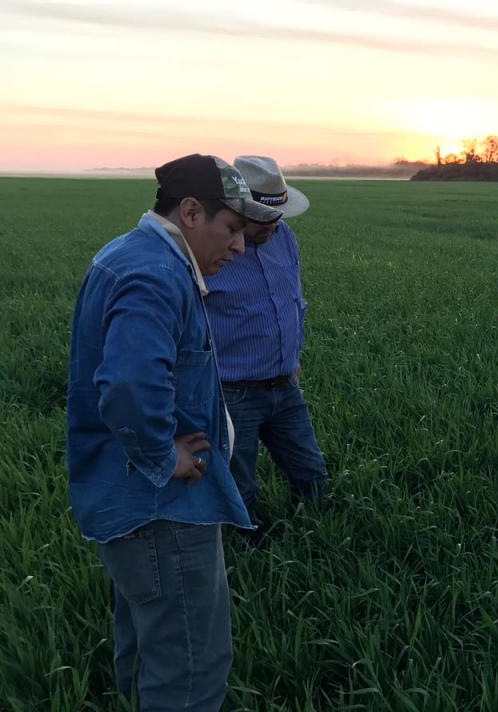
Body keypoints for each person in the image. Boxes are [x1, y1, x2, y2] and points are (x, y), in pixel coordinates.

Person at [66, 153, 283, 710]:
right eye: (232, 229)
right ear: (190, 212)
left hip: (134, 504)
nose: (239, 247)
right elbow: (130, 384)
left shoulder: (133, 255)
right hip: (161, 507)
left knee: (147, 646)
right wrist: (165, 456)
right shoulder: (155, 272)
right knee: (191, 668)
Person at [204, 155, 327, 543]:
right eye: (262, 218)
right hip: (232, 392)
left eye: (278, 216)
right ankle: (248, 554)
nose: (273, 226)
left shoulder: (284, 237)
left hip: (284, 386)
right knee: (239, 487)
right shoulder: (211, 251)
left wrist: (294, 355)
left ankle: (319, 537)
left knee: (311, 474)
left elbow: (295, 301)